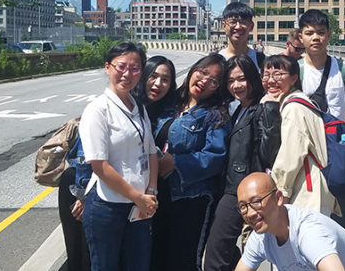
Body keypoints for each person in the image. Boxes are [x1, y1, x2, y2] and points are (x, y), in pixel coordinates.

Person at [79, 42, 159, 271]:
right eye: (121, 66)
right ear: (107, 67)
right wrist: (138, 196)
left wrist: (151, 192)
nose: (127, 74)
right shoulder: (98, 110)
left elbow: (151, 151)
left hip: (140, 206)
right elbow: (99, 166)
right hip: (108, 206)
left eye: (135, 68)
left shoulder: (138, 107)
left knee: (139, 265)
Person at [154, 53, 232, 270]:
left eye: (214, 80)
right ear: (193, 70)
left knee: (182, 259)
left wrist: (176, 162)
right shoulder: (169, 104)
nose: (205, 81)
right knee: (156, 254)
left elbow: (215, 157)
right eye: (203, 72)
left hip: (190, 198)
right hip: (158, 193)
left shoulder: (215, 115)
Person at [204, 55, 281, 271]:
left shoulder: (262, 107)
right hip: (231, 184)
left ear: (253, 79)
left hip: (243, 187)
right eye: (230, 81)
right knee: (228, 250)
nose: (236, 85)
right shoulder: (239, 108)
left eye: (242, 79)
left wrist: (271, 112)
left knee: (216, 252)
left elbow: (269, 153)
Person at [297, 9, 345, 237]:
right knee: (309, 219)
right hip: (307, 154)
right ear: (301, 37)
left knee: (344, 220)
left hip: (339, 152)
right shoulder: (293, 70)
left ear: (328, 35)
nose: (315, 37)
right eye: (309, 33)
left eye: (320, 32)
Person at [234, 172, 345, 271]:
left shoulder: (308, 232)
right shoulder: (261, 237)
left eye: (257, 202)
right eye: (243, 206)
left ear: (278, 198)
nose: (251, 213)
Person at [263, 55, 338, 216]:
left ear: (294, 78)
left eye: (278, 74)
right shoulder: (300, 101)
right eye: (266, 75)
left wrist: (281, 191)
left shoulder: (294, 108)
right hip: (313, 186)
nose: (270, 80)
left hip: (307, 191)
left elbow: (290, 155)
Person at [130, 56, 178, 271]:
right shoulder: (125, 104)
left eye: (166, 80)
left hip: (155, 193)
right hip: (123, 190)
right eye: (154, 76)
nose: (159, 84)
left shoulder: (172, 112)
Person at [58, 167, 90, 270]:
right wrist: (81, 194)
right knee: (82, 242)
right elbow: (83, 157)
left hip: (80, 180)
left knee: (76, 241)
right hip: (81, 181)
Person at [219, 2, 265, 70]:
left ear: (251, 26)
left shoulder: (262, 61)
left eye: (243, 22)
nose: (238, 27)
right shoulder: (216, 61)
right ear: (224, 26)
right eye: (233, 22)